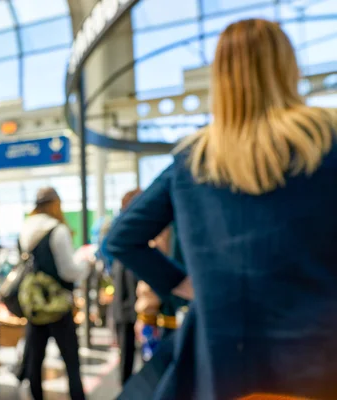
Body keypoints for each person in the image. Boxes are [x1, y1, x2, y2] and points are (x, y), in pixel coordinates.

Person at [106, 18, 337, 400]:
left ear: (220, 80)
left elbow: (122, 238)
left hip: (222, 366)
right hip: (317, 363)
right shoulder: (325, 140)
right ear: (288, 67)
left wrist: (184, 286)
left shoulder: (193, 160)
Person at [19, 187, 88, 400]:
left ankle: (36, 396)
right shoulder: (57, 230)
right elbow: (68, 271)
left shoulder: (26, 229)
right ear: (55, 203)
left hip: (35, 304)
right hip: (58, 305)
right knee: (71, 359)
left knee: (35, 358)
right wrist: (86, 264)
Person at [109, 189, 141, 384]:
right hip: (133, 299)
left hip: (125, 299)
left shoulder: (119, 229)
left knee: (126, 354)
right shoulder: (135, 230)